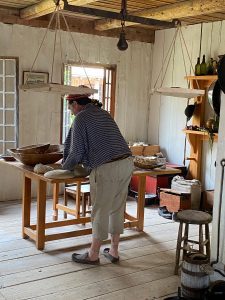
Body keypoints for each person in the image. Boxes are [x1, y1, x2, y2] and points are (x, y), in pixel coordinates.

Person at [62, 93, 134, 265]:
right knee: (117, 208)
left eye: (70, 107)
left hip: (106, 167)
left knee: (100, 209)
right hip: (127, 162)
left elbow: (76, 152)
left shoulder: (80, 118)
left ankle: (93, 254)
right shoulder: (104, 113)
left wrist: (64, 167)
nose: (71, 112)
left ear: (76, 104)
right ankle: (114, 251)